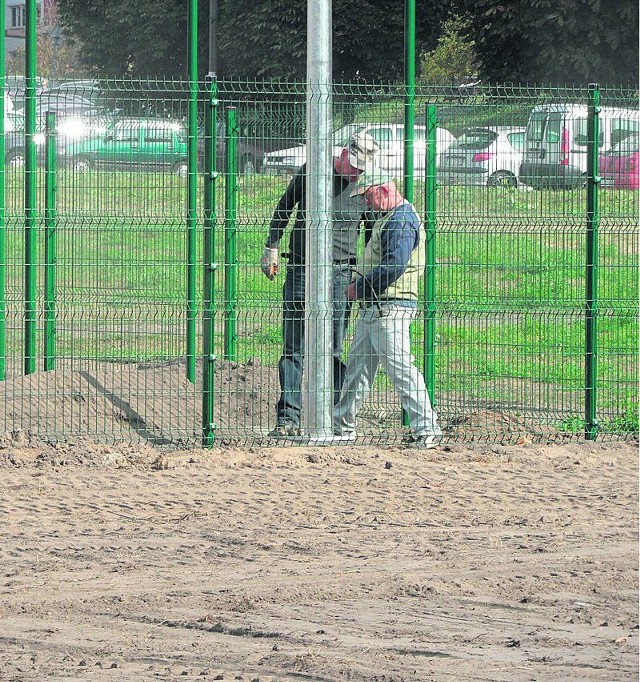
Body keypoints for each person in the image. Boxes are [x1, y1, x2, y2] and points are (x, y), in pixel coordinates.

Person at [261, 132, 379, 437]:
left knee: (334, 348)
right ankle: (288, 418)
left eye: (360, 169)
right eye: (352, 165)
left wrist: (364, 276)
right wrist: (271, 246)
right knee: (294, 346)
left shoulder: (365, 186)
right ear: (343, 153)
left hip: (342, 274)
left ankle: (330, 417)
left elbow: (370, 234)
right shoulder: (312, 171)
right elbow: (284, 206)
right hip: (303, 267)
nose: (354, 173)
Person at [333, 172, 442, 449]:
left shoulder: (401, 220)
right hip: (376, 308)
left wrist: (361, 287)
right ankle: (341, 427)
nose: (367, 204)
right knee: (358, 370)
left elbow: (394, 266)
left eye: (369, 196)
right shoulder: (390, 218)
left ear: (383, 190)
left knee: (400, 367)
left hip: (389, 307)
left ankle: (427, 428)